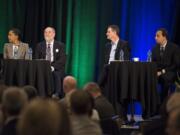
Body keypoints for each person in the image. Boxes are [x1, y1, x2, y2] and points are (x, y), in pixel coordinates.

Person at [35, 27, 66, 97]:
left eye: (49, 32)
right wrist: (43, 66)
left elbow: (62, 59)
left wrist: (52, 67)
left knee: (57, 73)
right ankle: (40, 94)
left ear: (54, 34)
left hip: (55, 67)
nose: (47, 34)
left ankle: (57, 94)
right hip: (42, 67)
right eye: (45, 32)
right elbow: (36, 58)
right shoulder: (39, 45)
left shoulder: (60, 45)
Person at [152, 28, 180, 103]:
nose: (155, 38)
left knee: (165, 79)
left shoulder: (174, 48)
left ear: (164, 37)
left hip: (170, 71)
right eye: (155, 36)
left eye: (158, 36)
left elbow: (176, 64)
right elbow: (153, 63)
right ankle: (152, 106)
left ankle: (163, 104)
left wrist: (162, 72)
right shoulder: (154, 49)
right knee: (148, 79)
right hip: (158, 72)